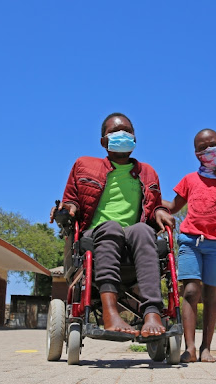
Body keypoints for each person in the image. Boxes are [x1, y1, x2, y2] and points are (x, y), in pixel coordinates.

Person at [50, 113, 175, 337]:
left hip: (134, 236)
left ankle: (152, 312)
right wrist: (67, 208)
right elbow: (72, 199)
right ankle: (110, 312)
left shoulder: (148, 172)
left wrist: (161, 212)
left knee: (143, 230)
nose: (123, 135)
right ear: (103, 141)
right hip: (98, 232)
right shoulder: (84, 165)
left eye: (127, 131)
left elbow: (154, 206)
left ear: (135, 138)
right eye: (116, 132)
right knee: (111, 227)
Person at [163, 129, 216, 363]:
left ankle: (206, 348)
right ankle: (189, 348)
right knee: (190, 290)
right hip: (190, 240)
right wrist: (149, 196)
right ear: (196, 153)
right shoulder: (189, 180)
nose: (209, 150)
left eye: (213, 144)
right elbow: (173, 206)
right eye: (203, 147)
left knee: (211, 293)